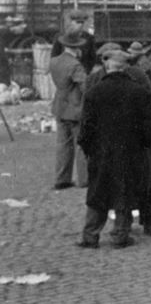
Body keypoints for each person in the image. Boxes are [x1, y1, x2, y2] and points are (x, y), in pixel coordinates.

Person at [76, 51, 151, 248]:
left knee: (98, 192)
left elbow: (85, 127)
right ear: (125, 68)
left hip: (101, 152)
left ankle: (90, 235)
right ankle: (121, 234)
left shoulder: (94, 92)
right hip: (131, 151)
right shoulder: (139, 92)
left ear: (107, 67)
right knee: (125, 191)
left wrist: (88, 148)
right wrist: (144, 145)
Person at [124, 41, 151, 237]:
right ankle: (146, 222)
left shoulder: (140, 74)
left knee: (135, 181)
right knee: (142, 181)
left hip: (135, 137)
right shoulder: (140, 74)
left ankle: (127, 225)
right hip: (135, 137)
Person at [49, 32, 89, 189]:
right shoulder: (75, 65)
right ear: (77, 48)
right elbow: (85, 87)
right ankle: (84, 179)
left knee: (63, 145)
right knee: (81, 144)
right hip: (76, 108)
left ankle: (62, 179)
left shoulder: (54, 61)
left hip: (59, 106)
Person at [51, 9, 98, 73]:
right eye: (78, 22)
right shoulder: (60, 37)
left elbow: (92, 58)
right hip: (64, 72)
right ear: (71, 22)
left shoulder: (89, 38)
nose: (80, 25)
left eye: (82, 22)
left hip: (82, 73)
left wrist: (86, 71)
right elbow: (54, 56)